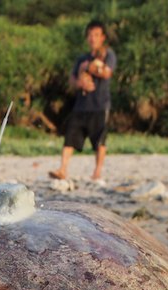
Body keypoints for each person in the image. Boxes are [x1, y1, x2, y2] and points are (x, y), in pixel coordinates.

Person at [49, 20, 116, 182]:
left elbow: (107, 73)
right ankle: (63, 169)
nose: (93, 38)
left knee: (99, 139)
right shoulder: (82, 58)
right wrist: (80, 81)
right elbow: (72, 79)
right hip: (81, 105)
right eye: (90, 35)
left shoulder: (109, 55)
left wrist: (88, 68)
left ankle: (97, 172)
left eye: (96, 35)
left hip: (100, 104)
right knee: (70, 137)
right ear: (87, 38)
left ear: (103, 37)